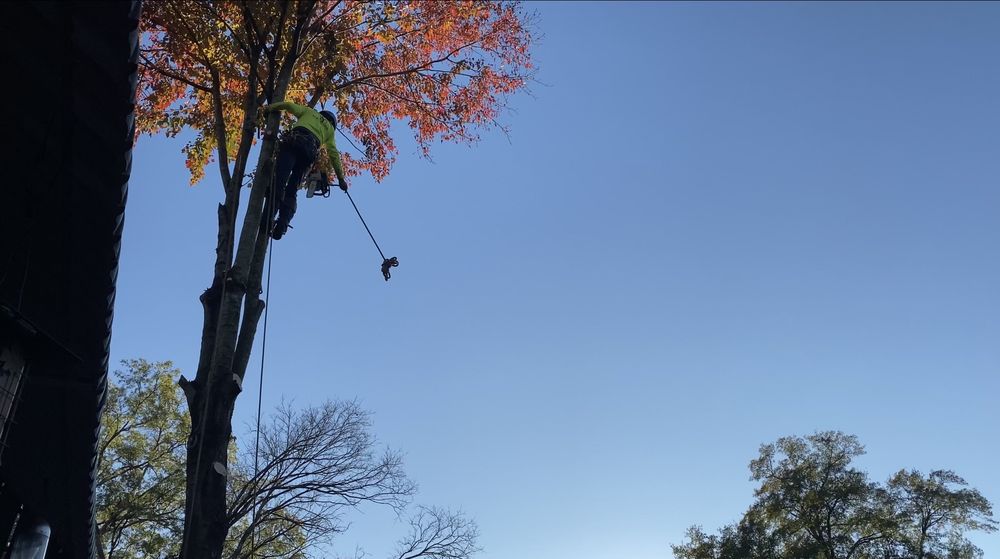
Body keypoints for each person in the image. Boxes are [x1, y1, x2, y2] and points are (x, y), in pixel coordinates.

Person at [263, 101, 349, 240]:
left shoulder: (309, 112)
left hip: (294, 142)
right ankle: (282, 224)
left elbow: (288, 105)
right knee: (292, 189)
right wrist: (341, 179)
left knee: (280, 180)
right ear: (332, 123)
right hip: (309, 153)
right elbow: (333, 153)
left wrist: (269, 108)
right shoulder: (330, 130)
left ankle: (266, 219)